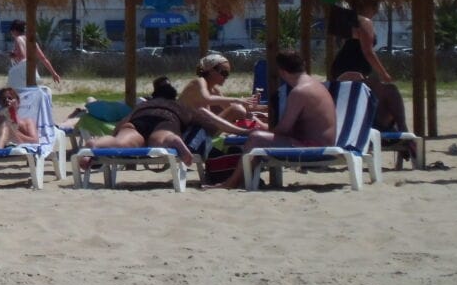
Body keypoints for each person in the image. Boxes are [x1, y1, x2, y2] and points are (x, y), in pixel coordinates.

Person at [207, 49, 336, 190]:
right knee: (258, 136)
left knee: (256, 138)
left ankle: (230, 183)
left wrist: (258, 125)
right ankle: (243, 180)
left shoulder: (300, 91)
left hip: (313, 147)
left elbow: (284, 130)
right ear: (303, 65)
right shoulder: (315, 85)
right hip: (321, 143)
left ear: (282, 71)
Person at [84, 76, 249, 168]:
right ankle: (172, 140)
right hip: (167, 119)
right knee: (161, 140)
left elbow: (122, 123)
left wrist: (114, 134)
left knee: (120, 142)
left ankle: (96, 144)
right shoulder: (178, 105)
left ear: (154, 95)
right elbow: (203, 120)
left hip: (138, 120)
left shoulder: (144, 104)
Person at [328, 2, 412, 149]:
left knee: (381, 92)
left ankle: (400, 130)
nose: (377, 10)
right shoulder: (364, 23)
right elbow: (368, 53)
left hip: (345, 71)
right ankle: (402, 131)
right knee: (390, 91)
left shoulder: (349, 25)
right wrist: (384, 74)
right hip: (353, 72)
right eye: (375, 6)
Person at [179, 53, 263, 124]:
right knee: (237, 110)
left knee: (245, 113)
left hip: (202, 126)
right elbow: (207, 99)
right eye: (224, 73)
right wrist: (237, 100)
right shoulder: (197, 82)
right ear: (211, 71)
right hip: (188, 129)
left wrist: (251, 105)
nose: (226, 77)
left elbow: (229, 107)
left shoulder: (214, 90)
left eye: (228, 74)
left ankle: (264, 127)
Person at [7, 20, 60, 88]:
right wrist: (53, 73)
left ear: (14, 30)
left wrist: (13, 55)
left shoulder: (18, 38)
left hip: (22, 69)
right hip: (32, 68)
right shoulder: (32, 41)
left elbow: (22, 56)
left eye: (11, 32)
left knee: (15, 91)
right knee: (34, 91)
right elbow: (43, 58)